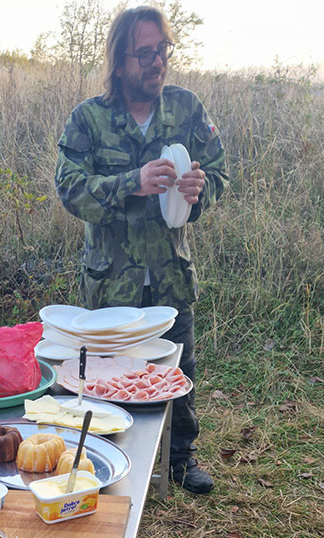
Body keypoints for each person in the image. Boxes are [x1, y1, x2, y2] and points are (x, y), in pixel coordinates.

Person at [55, 6, 228, 494]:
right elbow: (70, 188)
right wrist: (131, 183)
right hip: (111, 282)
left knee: (177, 369)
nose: (157, 62)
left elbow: (219, 172)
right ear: (119, 61)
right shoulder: (89, 119)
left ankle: (180, 459)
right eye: (145, 53)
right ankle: (108, 460)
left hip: (170, 276)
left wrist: (200, 190)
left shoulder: (187, 109)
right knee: (107, 377)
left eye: (162, 50)